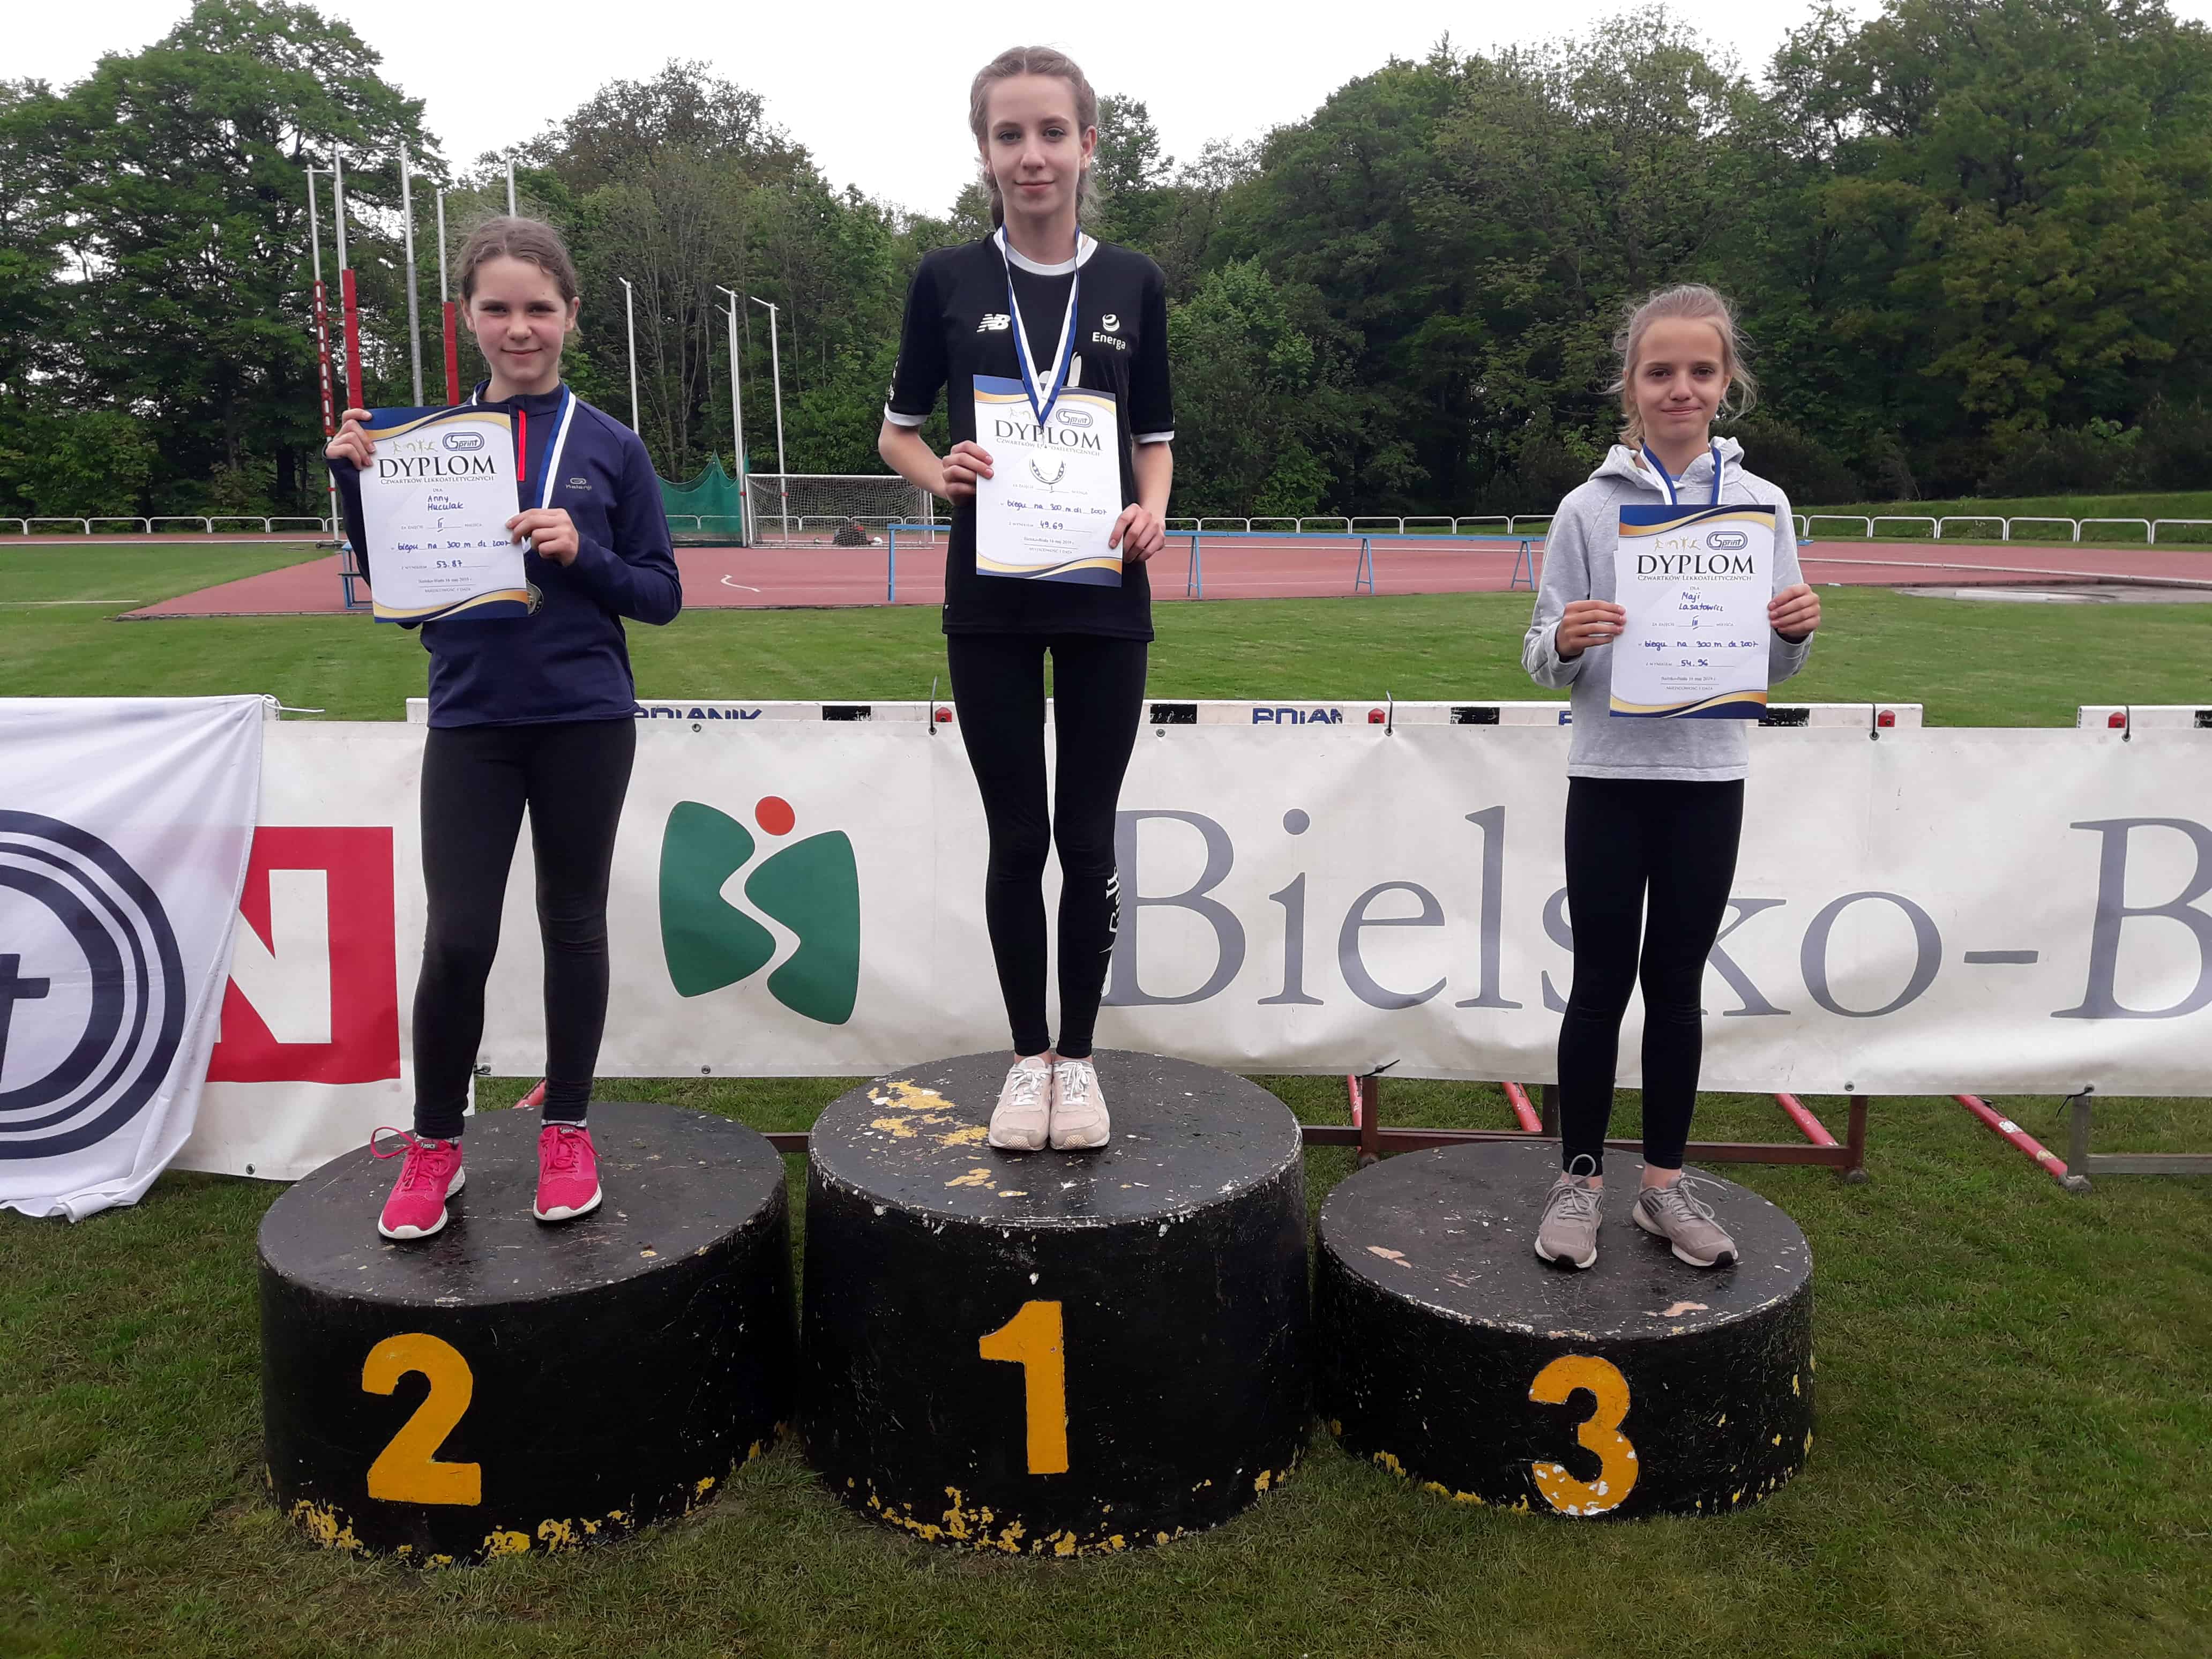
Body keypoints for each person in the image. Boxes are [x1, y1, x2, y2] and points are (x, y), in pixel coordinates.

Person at [325, 215, 683, 1240]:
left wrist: (584, 552)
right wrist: (357, 479)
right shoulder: (422, 443)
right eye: (497, 309)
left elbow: (660, 595)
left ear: (571, 314)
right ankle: (436, 1143)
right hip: (473, 717)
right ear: (468, 318)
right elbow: (399, 588)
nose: (519, 328)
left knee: (573, 925)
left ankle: (565, 1129)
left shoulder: (610, 445)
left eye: (539, 308)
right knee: (459, 938)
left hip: (584, 718)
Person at [877, 47, 1174, 1154]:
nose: (1032, 155)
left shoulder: (1133, 281)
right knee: (1016, 837)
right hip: (989, 599)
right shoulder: (946, 279)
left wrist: (1152, 511)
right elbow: (898, 433)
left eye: (1053, 132)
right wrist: (938, 474)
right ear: (984, 151)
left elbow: (1155, 440)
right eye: (1010, 135)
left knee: (1086, 839)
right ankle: (1025, 1061)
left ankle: (1080, 1065)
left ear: (1088, 145)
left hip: (1105, 594)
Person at [1521, 283, 1820, 1271]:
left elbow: (1774, 665)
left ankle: (1661, 1187)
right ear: (1631, 385)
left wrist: (1794, 634)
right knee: (1599, 983)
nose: (1680, 388)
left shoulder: (1764, 505)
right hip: (1608, 773)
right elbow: (1539, 654)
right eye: (1660, 372)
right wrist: (1568, 639)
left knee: (1678, 987)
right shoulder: (1587, 508)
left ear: (1727, 382)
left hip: (1708, 776)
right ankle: (1578, 1181)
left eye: (1700, 370)